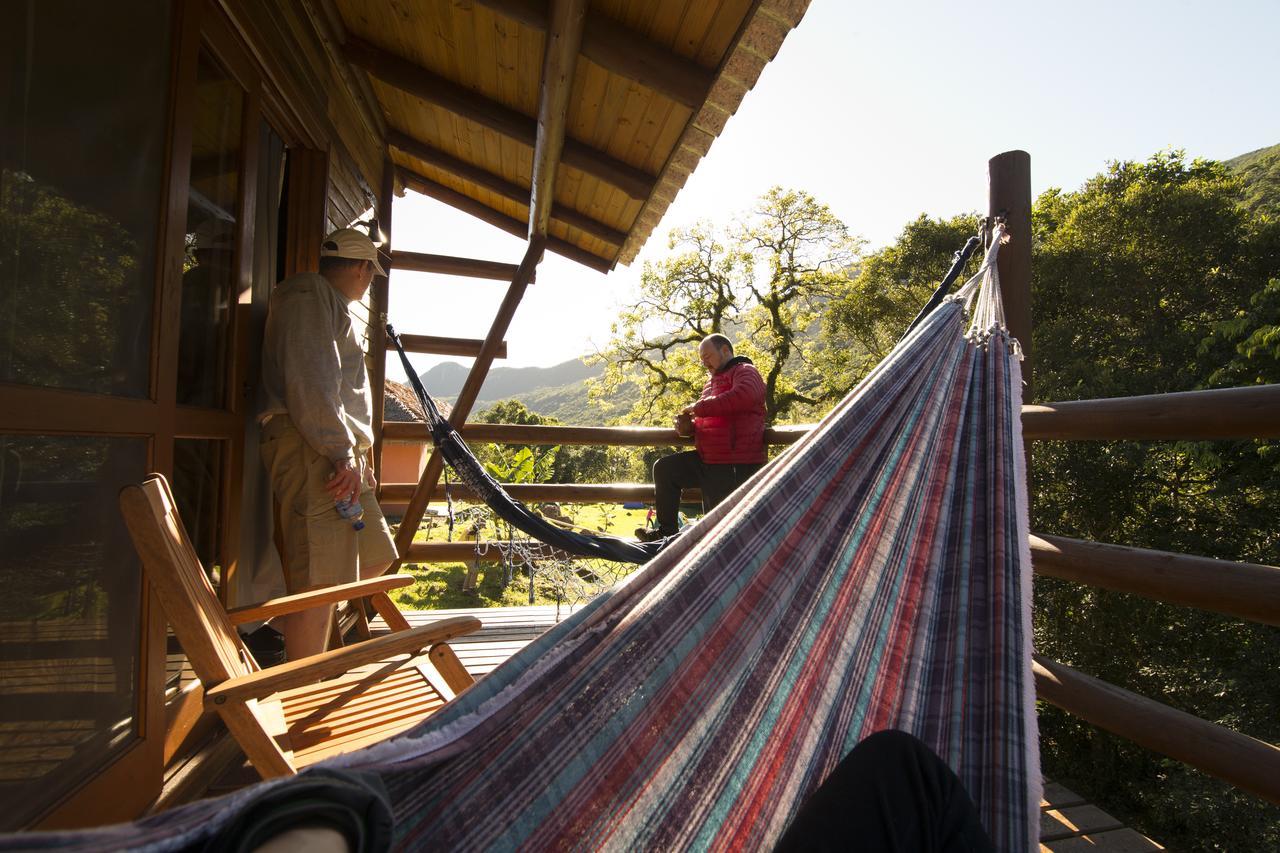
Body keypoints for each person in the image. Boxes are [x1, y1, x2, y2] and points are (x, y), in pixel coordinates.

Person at [259, 228, 398, 661]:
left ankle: (276, 630)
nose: (369, 282)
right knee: (320, 584)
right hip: (313, 447)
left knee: (375, 556)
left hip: (337, 450)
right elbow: (311, 380)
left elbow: (336, 389)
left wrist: (358, 455)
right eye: (371, 274)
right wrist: (340, 453)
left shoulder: (327, 303)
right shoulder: (307, 295)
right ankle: (301, 694)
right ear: (361, 268)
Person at [638, 334, 767, 541]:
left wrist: (697, 408)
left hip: (734, 463)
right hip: (708, 460)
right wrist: (689, 428)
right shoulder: (710, 384)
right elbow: (710, 415)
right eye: (702, 359)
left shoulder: (745, 371)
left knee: (720, 530)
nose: (704, 362)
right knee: (665, 469)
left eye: (707, 356)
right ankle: (666, 532)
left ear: (725, 350)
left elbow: (744, 396)